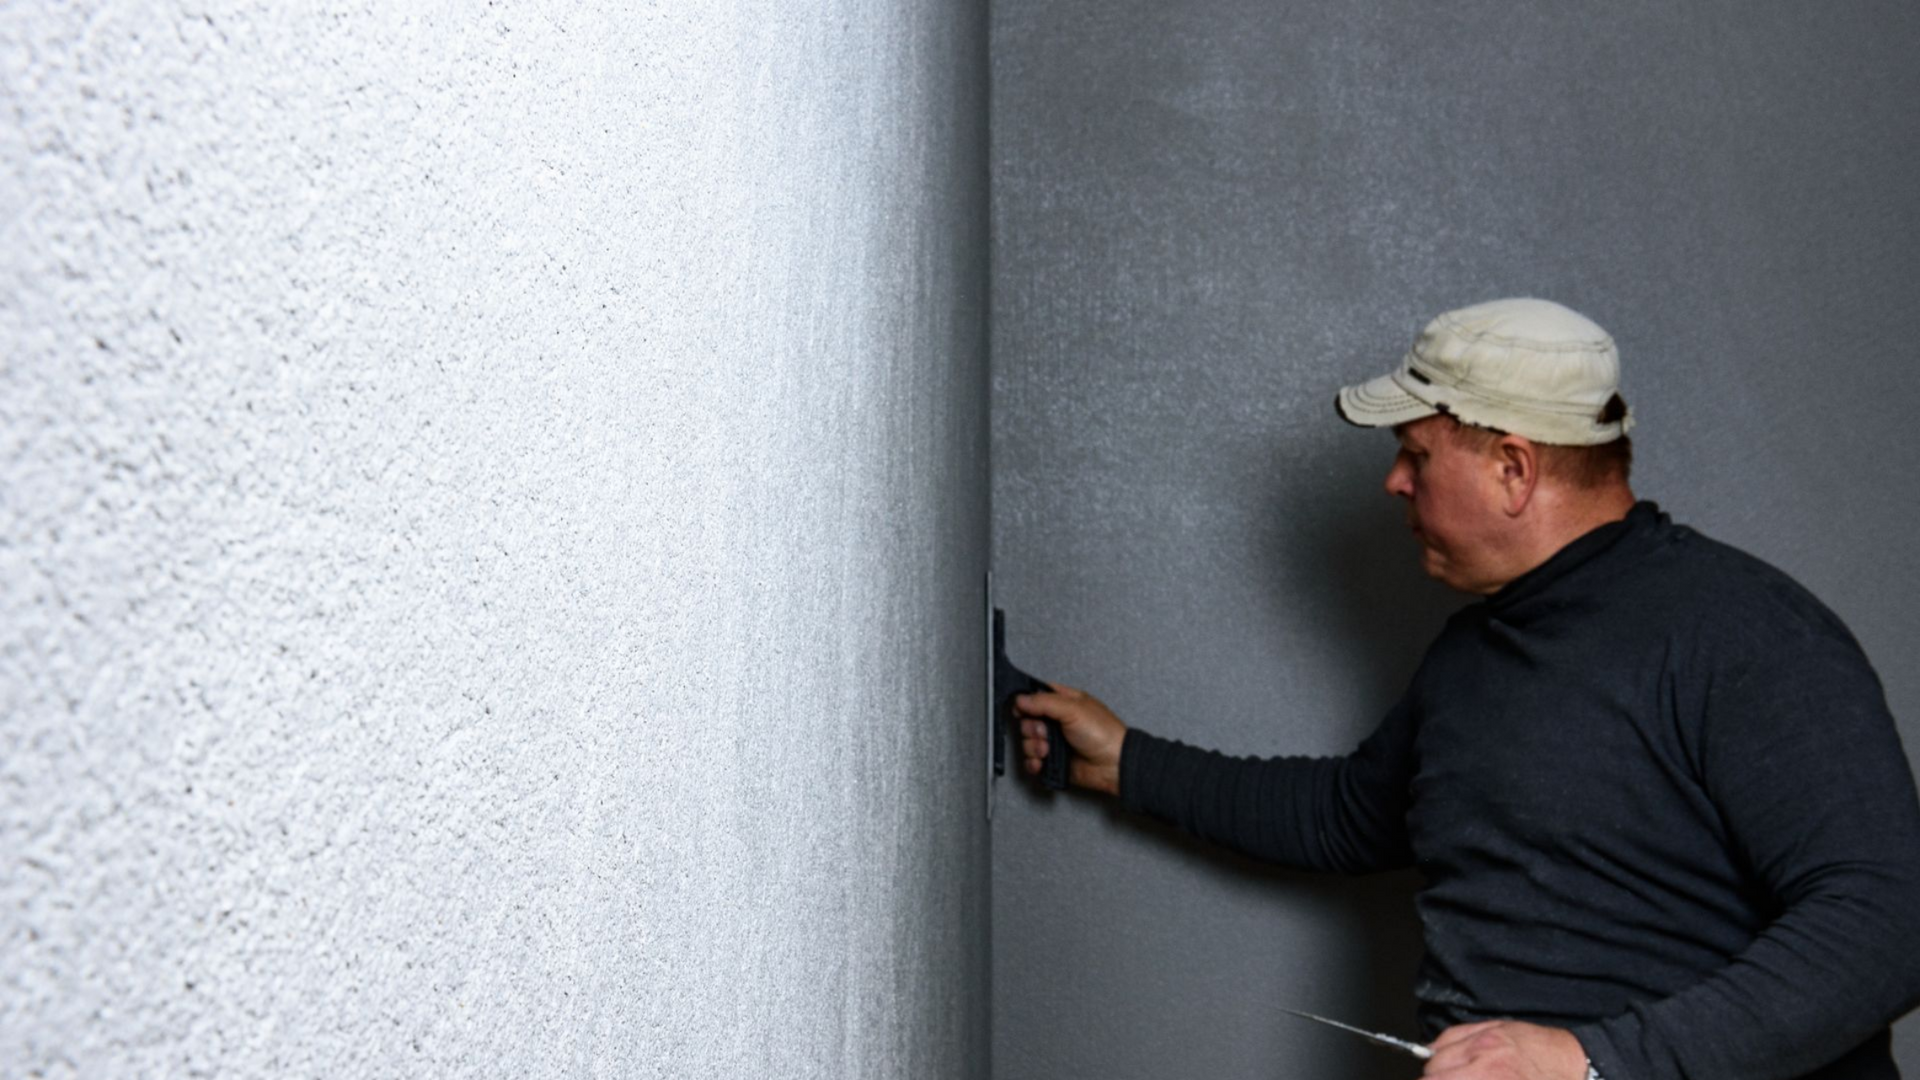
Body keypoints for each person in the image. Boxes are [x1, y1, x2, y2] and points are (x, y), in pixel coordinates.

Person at [1012, 298, 1920, 1080]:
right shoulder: (1474, 653)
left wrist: (1590, 1061)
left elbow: (1888, 922)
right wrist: (1126, 762)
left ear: (1513, 470)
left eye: (1416, 454)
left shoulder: (1747, 632)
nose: (1393, 481)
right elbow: (1349, 815)